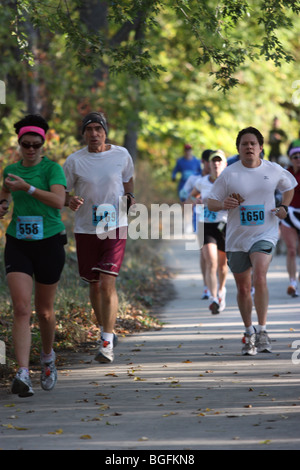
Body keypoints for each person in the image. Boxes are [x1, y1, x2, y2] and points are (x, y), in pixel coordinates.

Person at [208, 127, 297, 356]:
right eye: (244, 144)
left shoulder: (273, 169)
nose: (248, 147)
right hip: (237, 238)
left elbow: (289, 187)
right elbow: (211, 202)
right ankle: (249, 332)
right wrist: (224, 203)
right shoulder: (229, 174)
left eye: (253, 144)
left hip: (265, 232)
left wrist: (284, 207)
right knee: (243, 287)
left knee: (259, 276)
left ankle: (263, 330)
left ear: (260, 148)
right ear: (238, 149)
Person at [0, 114, 67, 397]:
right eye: (25, 144)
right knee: (21, 308)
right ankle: (23, 373)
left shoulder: (53, 169)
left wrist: (26, 188)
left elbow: (59, 201)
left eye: (35, 145)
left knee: (44, 311)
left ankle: (48, 357)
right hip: (19, 242)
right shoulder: (10, 170)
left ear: (42, 145)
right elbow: (3, 194)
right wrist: (2, 204)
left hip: (50, 241)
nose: (30, 149)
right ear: (19, 144)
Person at [63, 111, 135, 364]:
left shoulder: (121, 155)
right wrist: (68, 200)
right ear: (83, 133)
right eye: (89, 129)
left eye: (98, 129)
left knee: (107, 282)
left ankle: (106, 341)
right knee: (93, 283)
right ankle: (107, 327)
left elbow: (128, 181)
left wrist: (129, 201)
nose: (94, 134)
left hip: (115, 226)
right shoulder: (74, 161)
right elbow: (61, 192)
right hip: (85, 228)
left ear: (105, 132)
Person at [186, 150, 228, 314]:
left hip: (224, 225)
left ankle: (221, 291)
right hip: (206, 224)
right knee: (211, 262)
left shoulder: (229, 183)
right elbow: (190, 197)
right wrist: (194, 200)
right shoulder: (202, 182)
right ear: (209, 164)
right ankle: (213, 298)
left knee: (222, 266)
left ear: (224, 164)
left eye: (219, 161)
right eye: (213, 161)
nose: (216, 164)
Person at [280, 143, 300, 297]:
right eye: (295, 157)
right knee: (292, 250)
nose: (298, 159)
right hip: (289, 214)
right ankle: (292, 282)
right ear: (291, 159)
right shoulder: (286, 173)